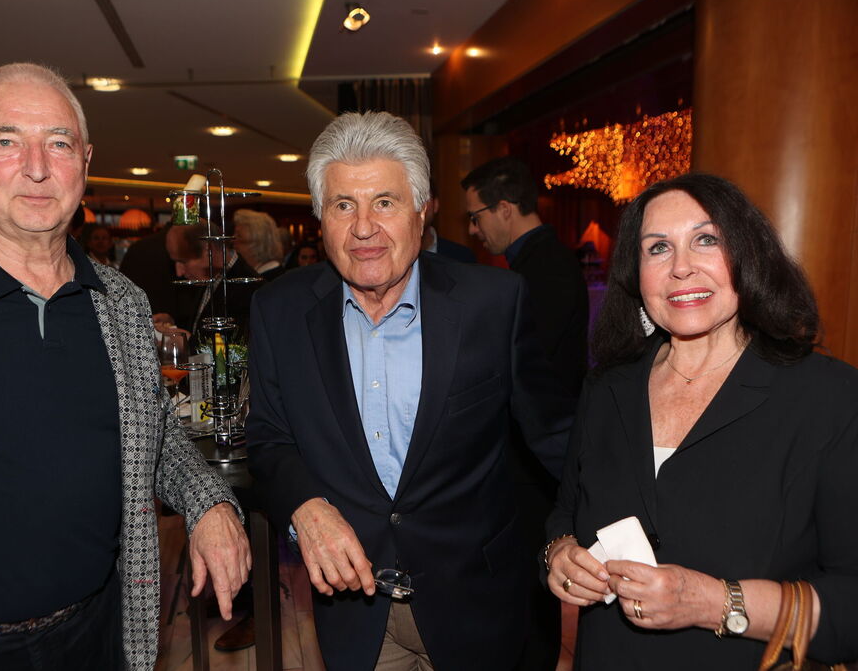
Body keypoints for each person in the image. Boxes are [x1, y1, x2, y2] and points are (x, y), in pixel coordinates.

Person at [0, 62, 250, 670]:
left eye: (59, 144)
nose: (37, 168)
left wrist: (211, 504)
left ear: (85, 163)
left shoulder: (121, 302)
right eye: (6, 141)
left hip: (94, 637)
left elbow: (156, 437)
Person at [246, 111, 575, 671]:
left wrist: (591, 526)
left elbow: (558, 437)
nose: (363, 228)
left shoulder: (493, 303)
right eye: (343, 205)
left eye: (384, 202)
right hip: (354, 612)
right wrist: (305, 506)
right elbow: (269, 438)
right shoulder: (279, 309)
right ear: (320, 219)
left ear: (421, 213)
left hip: (476, 604)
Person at [544, 173, 858, 669]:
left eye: (706, 240)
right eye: (658, 248)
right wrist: (560, 554)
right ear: (636, 275)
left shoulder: (828, 397)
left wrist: (711, 601)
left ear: (748, 256)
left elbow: (851, 605)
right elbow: (566, 510)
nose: (681, 267)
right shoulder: (607, 388)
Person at [462, 156, 588, 396]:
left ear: (504, 210)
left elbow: (527, 357)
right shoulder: (537, 259)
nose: (472, 229)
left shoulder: (549, 266)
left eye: (476, 218)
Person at [154, 221, 261, 341]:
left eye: (183, 262)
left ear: (208, 250)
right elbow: (202, 329)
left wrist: (188, 342)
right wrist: (172, 324)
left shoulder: (248, 288)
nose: (179, 272)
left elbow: (238, 345)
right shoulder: (210, 275)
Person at [419, 182, 475, 264]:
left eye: (422, 198)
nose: (417, 205)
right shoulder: (399, 256)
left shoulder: (461, 257)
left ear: (435, 205)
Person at [232, 209, 284, 281]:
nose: (233, 241)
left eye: (239, 236)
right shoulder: (254, 273)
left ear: (257, 243)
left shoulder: (272, 278)